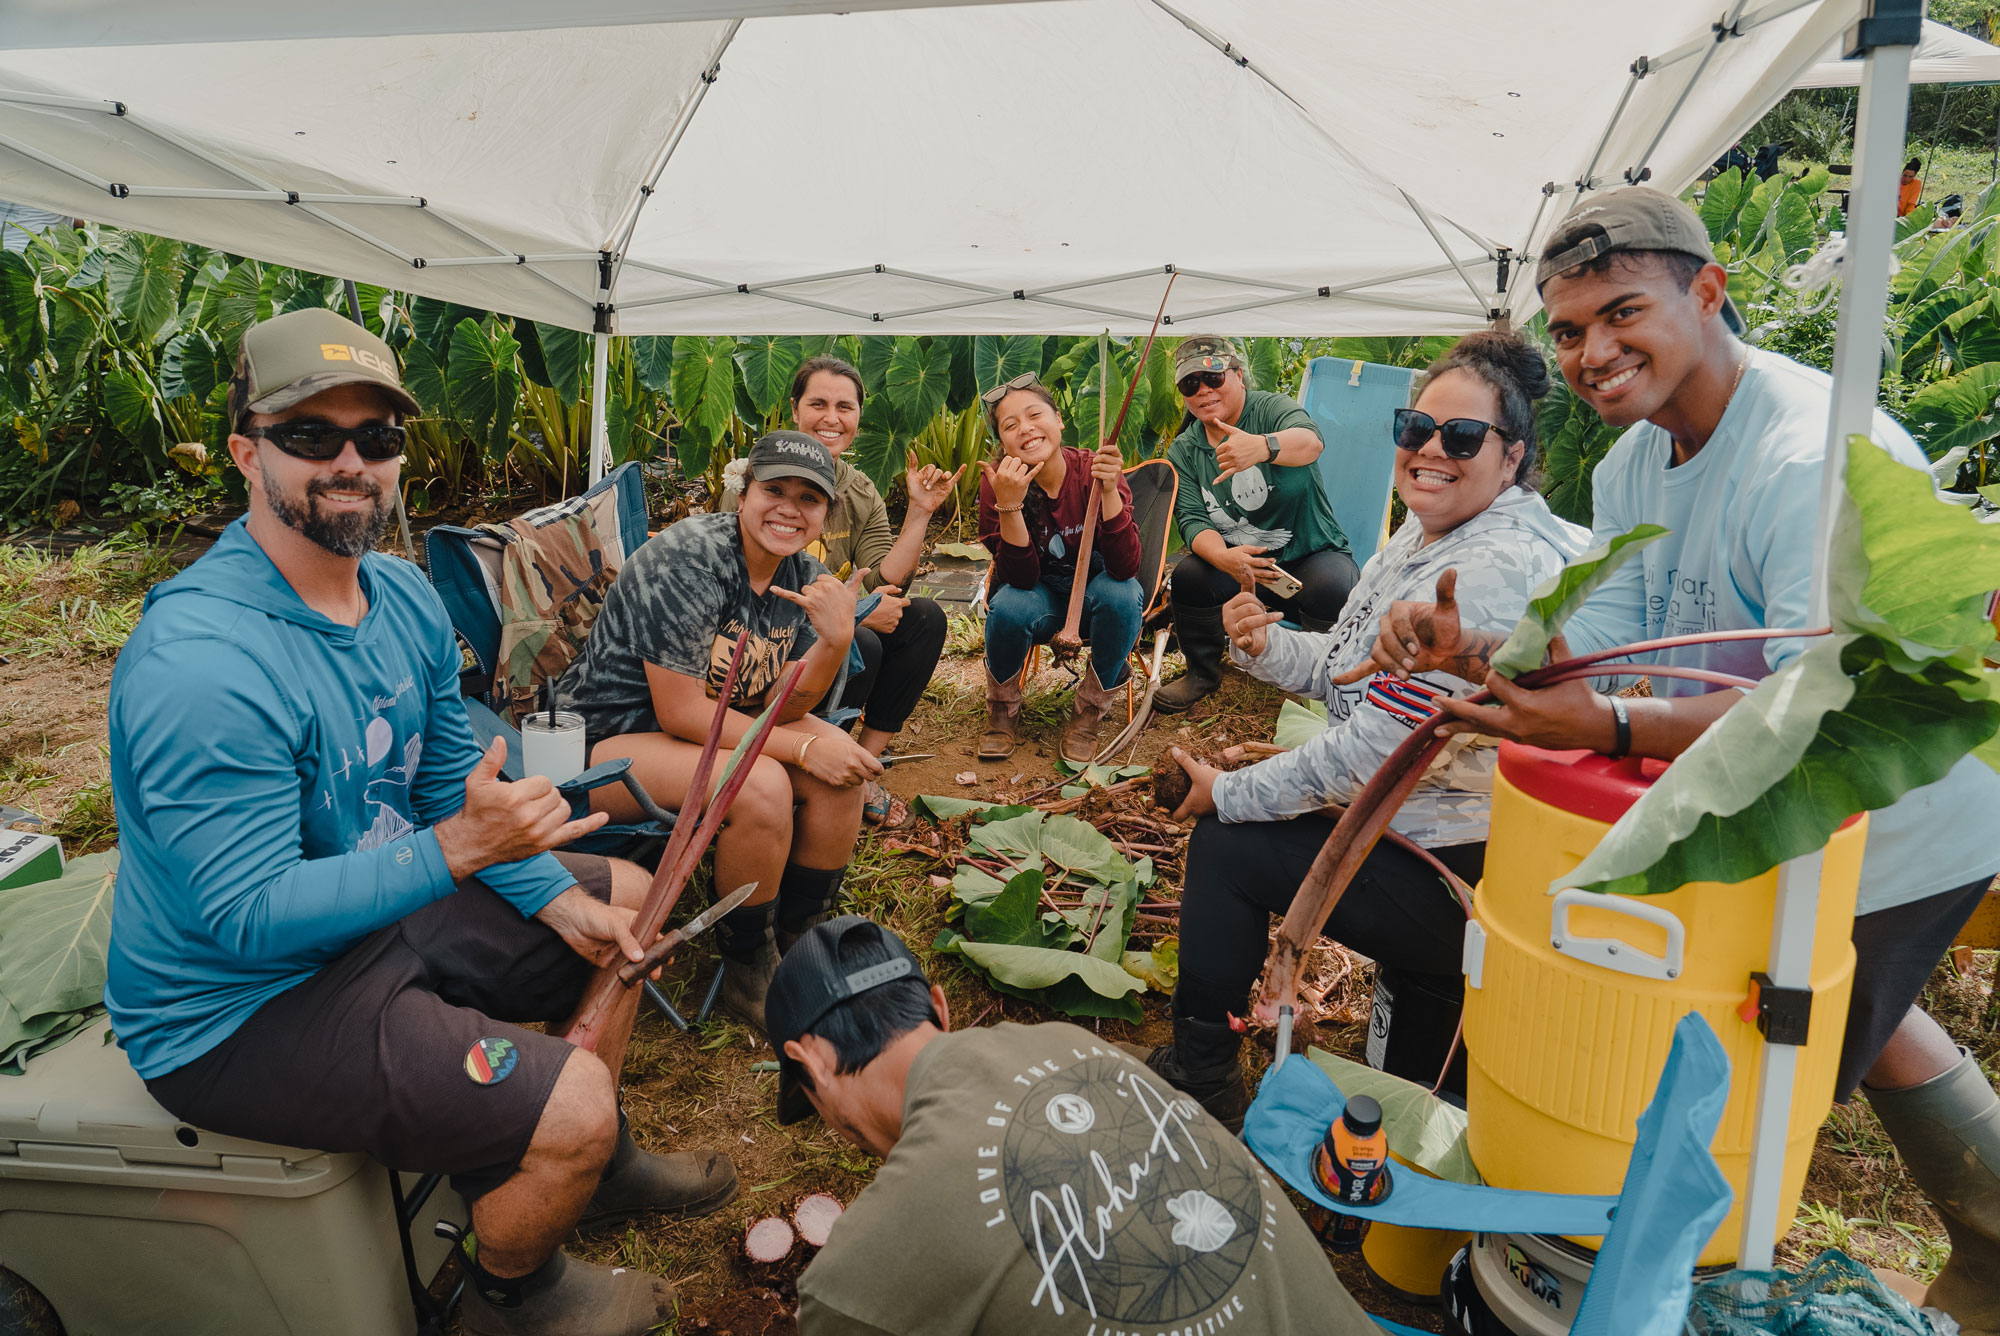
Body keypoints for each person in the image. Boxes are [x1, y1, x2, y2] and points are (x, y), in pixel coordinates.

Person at [1357, 186, 2000, 1336]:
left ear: (1706, 293)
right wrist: (1479, 648)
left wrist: (1606, 729)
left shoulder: (1804, 452)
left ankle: (1693, 1281)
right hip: (1775, 805)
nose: (1593, 353)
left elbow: (1824, 701)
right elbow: (1604, 650)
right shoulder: (1633, 467)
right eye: (1567, 332)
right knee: (1836, 1004)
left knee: (1765, 1058)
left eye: (1621, 313)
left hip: (1887, 815)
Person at [106, 308, 733, 1336]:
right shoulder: (204, 663)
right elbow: (247, 915)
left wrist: (537, 891)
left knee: (623, 903)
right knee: (568, 1097)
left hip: (371, 913)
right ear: (242, 450)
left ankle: (588, 1159)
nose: (351, 461)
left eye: (378, 436)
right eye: (311, 434)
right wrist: (457, 853)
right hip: (237, 1008)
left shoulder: (397, 596)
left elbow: (449, 771)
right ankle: (507, 1293)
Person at [1133, 332, 1587, 1128]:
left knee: (1229, 845)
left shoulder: (1491, 569)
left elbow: (1368, 755)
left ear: (1511, 455)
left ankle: (1203, 1068)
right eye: (1415, 428)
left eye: (1463, 436)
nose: (1430, 450)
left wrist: (1227, 792)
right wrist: (1268, 646)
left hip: (1468, 876)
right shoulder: (1428, 534)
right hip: (1421, 830)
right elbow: (1347, 666)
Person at [765, 916, 1380, 1336]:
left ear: (809, 1061)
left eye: (814, 1106)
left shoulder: (852, 1283)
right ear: (937, 1005)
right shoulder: (1070, 1044)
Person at [563, 431, 880, 1032]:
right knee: (759, 782)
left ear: (825, 515)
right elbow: (682, 712)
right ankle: (749, 967)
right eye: (774, 490)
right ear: (742, 493)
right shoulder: (690, 557)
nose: (789, 508)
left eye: (808, 498)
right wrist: (806, 746)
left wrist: (836, 643)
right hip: (606, 742)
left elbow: (783, 704)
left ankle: (803, 938)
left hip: (702, 731)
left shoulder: (802, 576)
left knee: (842, 772)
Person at [724, 356, 955, 829]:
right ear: (794, 409)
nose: (832, 418)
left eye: (844, 407)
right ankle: (817, 753)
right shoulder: (757, 478)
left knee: (925, 618)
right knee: (861, 641)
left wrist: (919, 512)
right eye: (818, 403)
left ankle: (863, 764)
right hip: (767, 626)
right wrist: (850, 618)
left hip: (837, 613)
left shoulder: (860, 488)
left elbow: (883, 580)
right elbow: (747, 589)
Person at [1156, 334, 1359, 713]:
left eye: (1213, 378)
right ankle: (1201, 673)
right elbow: (1192, 518)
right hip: (1241, 567)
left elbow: (1311, 443)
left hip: (1307, 558)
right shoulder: (1184, 449)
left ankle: (1328, 681)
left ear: (1238, 375)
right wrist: (1225, 559)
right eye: (1190, 384)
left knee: (1336, 584)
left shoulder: (1271, 410)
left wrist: (1263, 447)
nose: (1203, 390)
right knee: (1190, 576)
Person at [976, 375, 1143, 764]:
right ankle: (1002, 709)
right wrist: (1010, 505)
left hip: (1095, 596)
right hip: (1041, 595)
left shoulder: (1091, 469)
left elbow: (1125, 567)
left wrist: (1108, 492)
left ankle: (1089, 711)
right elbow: (1021, 579)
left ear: (1059, 419)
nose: (1026, 429)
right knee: (1011, 603)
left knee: (1122, 593)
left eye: (1035, 415)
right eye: (1010, 425)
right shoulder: (998, 482)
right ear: (1002, 441)